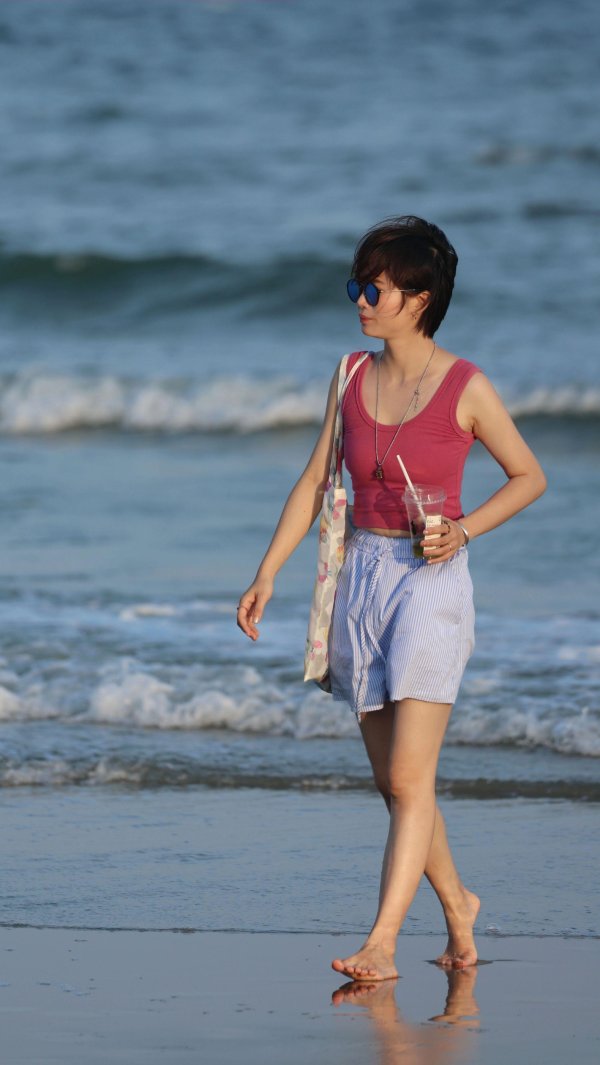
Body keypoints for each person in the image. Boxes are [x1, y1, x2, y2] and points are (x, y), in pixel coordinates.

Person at [237, 215, 546, 981]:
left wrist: (463, 530)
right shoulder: (349, 374)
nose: (360, 300)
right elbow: (316, 481)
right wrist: (268, 571)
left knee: (410, 778)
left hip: (430, 581)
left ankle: (381, 942)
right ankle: (460, 905)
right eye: (357, 284)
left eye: (373, 288)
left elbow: (529, 476)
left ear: (419, 298)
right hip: (361, 578)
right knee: (395, 782)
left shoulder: (466, 386)